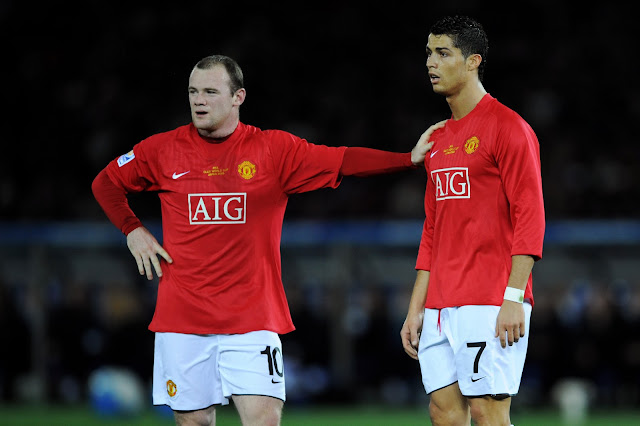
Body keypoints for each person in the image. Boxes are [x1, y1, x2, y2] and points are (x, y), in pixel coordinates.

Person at [92, 54, 444, 426]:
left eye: (210, 92)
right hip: (182, 319)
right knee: (194, 422)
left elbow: (342, 160)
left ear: (237, 97)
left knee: (264, 419)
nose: (199, 100)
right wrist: (133, 230)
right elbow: (106, 183)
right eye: (193, 91)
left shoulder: (272, 150)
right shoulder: (162, 150)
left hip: (252, 319)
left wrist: (406, 159)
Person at [400, 16, 545, 426]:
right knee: (443, 413)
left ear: (472, 61)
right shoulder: (437, 141)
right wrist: (416, 307)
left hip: (489, 298)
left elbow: (530, 217)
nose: (430, 62)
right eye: (429, 53)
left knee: (488, 412)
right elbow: (433, 230)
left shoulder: (509, 128)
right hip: (441, 302)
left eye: (443, 53)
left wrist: (513, 298)